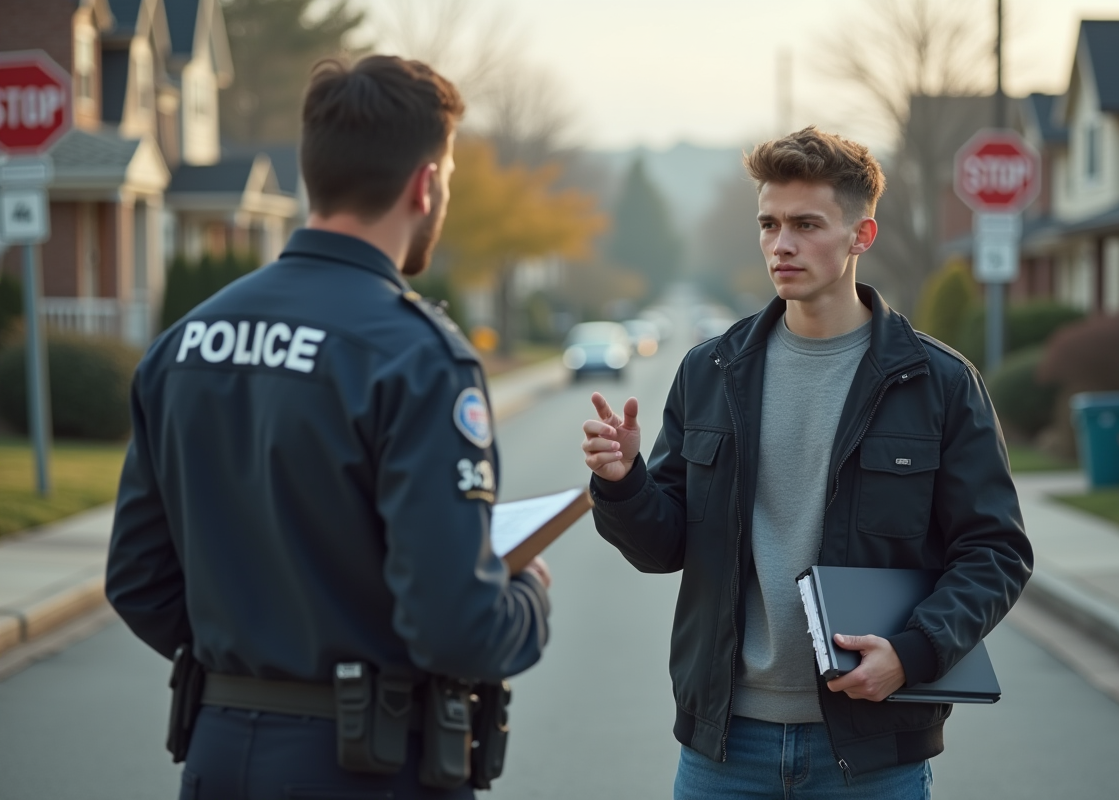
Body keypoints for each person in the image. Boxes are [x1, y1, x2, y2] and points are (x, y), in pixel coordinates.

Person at [106, 55, 551, 799]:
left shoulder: (184, 342)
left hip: (215, 755)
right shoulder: (417, 358)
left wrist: (247, 658)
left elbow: (138, 580)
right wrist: (529, 600)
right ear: (426, 183)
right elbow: (456, 626)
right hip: (364, 768)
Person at [581, 126, 1033, 798]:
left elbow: (995, 551)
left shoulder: (937, 382)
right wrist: (623, 484)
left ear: (861, 236)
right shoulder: (710, 371)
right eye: (768, 223)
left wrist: (913, 656)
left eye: (805, 224)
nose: (780, 243)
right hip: (722, 747)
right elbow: (665, 544)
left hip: (872, 750)